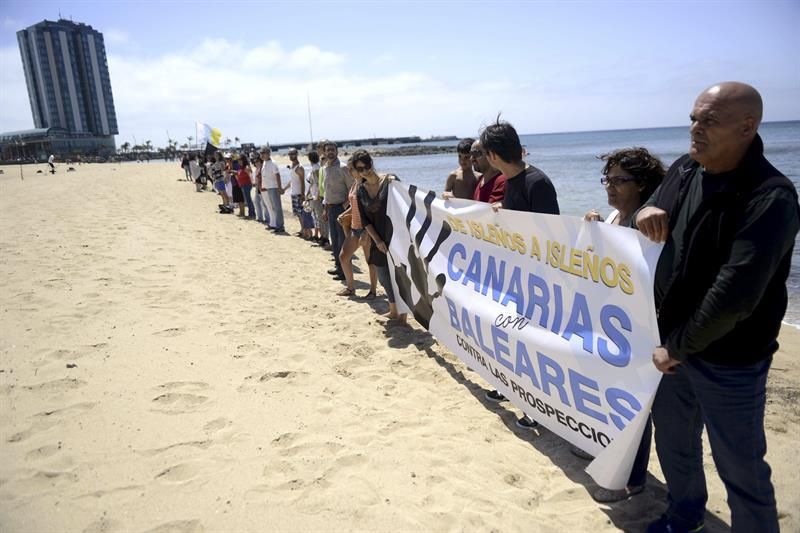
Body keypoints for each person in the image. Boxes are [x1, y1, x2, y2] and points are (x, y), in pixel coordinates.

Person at [635, 82, 799, 533]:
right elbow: (652, 211)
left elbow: (736, 294)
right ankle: (685, 516)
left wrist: (679, 348)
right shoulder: (687, 168)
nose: (695, 129)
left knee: (741, 467)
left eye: (709, 121)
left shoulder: (770, 196)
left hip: (730, 360)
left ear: (747, 127)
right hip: (670, 346)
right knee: (675, 444)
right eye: (693, 118)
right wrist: (645, 210)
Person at [572, 147, 666, 503]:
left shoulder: (653, 225)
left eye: (619, 181)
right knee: (609, 398)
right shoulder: (612, 219)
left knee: (636, 408)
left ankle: (634, 478)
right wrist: (591, 230)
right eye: (607, 180)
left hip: (643, 335)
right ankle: (602, 446)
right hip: (612, 329)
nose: (609, 187)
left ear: (642, 185)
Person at [480, 117, 559, 430]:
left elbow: (551, 235)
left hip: (536, 280)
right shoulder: (512, 182)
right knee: (510, 335)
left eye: (486, 154)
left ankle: (535, 409)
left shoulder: (537, 182)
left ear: (495, 156)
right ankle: (509, 386)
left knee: (531, 344)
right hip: (514, 275)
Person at [355, 150, 405, 322]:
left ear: (372, 163)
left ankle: (403, 315)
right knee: (383, 277)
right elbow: (364, 220)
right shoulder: (360, 191)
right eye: (360, 169)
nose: (365, 171)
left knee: (401, 276)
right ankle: (393, 310)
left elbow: (406, 203)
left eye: (367, 166)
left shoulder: (390, 181)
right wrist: (377, 241)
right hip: (378, 240)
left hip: (397, 237)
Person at [336, 152, 378, 298]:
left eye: (351, 169)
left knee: (370, 261)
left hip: (366, 228)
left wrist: (367, 232)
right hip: (355, 228)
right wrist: (345, 214)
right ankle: (350, 288)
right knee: (343, 257)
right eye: (349, 169)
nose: (350, 172)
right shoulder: (355, 184)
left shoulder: (366, 185)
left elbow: (370, 209)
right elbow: (356, 206)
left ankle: (373, 291)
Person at [322, 141, 354, 280]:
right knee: (334, 240)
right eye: (328, 150)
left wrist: (345, 207)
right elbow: (326, 191)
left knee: (343, 241)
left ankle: (345, 271)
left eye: (332, 150)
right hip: (330, 208)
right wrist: (325, 209)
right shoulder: (325, 168)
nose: (330, 152)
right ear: (324, 152)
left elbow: (352, 188)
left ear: (337, 151)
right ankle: (338, 267)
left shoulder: (343, 168)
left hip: (341, 208)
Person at [260, 147, 286, 233]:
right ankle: (275, 224)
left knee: (277, 207)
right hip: (267, 188)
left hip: (274, 187)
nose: (262, 155)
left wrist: (279, 188)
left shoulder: (273, 163)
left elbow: (277, 175)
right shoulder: (264, 162)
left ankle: (280, 226)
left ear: (269, 154)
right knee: (272, 207)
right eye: (261, 153)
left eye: (264, 153)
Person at [287, 148, 309, 236]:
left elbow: (302, 182)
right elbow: (292, 181)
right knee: (298, 213)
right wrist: (284, 189)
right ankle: (302, 229)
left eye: (293, 154)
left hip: (299, 193)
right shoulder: (292, 166)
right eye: (289, 154)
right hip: (293, 193)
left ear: (296, 154)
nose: (291, 156)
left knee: (301, 213)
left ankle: (305, 231)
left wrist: (303, 195)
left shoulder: (299, 167)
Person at [306, 151, 323, 242]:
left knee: (317, 216)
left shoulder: (316, 169)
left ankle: (319, 235)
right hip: (314, 195)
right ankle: (317, 235)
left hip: (316, 196)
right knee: (315, 216)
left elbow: (318, 183)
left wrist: (317, 195)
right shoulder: (316, 167)